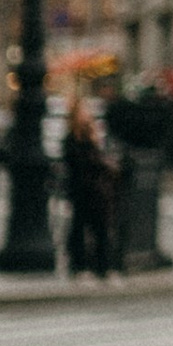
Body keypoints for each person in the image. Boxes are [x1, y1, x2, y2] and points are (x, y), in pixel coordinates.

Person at [61, 103, 115, 279]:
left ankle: (101, 266)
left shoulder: (91, 139)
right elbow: (81, 163)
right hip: (83, 190)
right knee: (80, 228)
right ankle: (81, 266)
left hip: (95, 192)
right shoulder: (74, 140)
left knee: (98, 229)